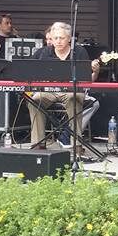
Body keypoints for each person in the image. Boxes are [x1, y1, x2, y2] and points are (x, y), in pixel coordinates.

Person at [27, 22, 100, 150]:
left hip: (72, 90)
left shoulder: (80, 51)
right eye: (55, 38)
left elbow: (88, 81)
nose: (58, 41)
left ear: (69, 39)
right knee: (34, 100)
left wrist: (95, 71)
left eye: (62, 38)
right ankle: (38, 144)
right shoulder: (45, 52)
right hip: (49, 91)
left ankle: (75, 144)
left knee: (74, 98)